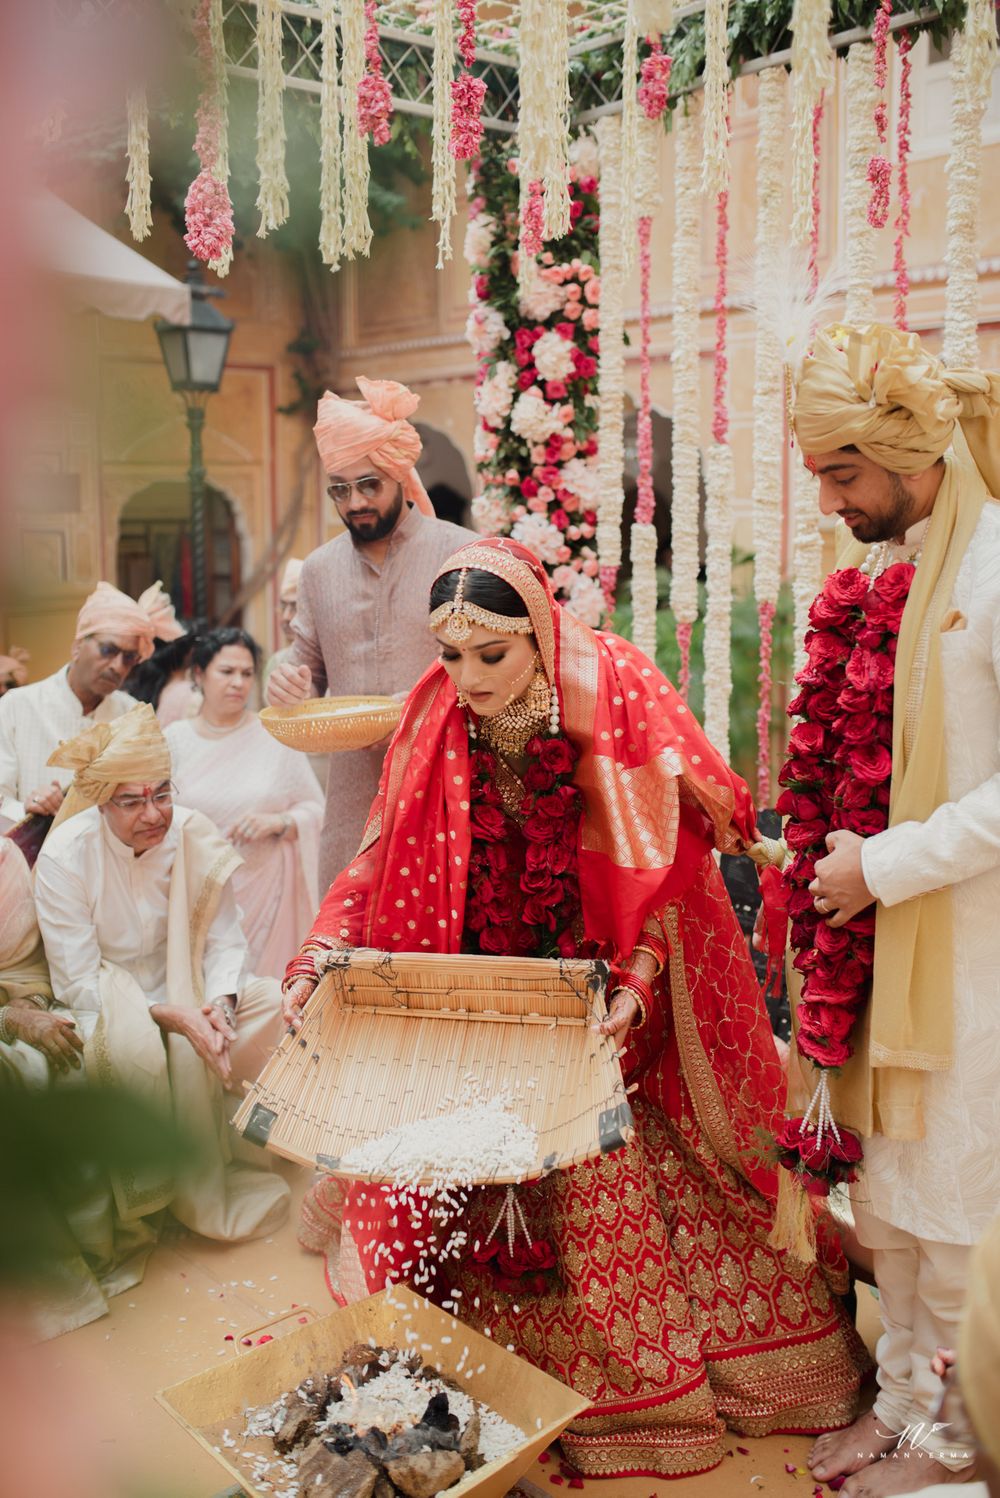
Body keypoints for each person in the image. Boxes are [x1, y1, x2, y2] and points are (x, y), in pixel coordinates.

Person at [281, 537, 870, 1481]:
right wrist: (322, 953)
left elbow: (665, 867)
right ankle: (475, 1381)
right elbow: (379, 856)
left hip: (598, 987)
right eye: (450, 655)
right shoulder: (437, 718)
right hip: (486, 983)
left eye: (490, 655)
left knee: (602, 1178)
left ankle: (651, 1399)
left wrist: (635, 983)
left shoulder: (609, 701)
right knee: (450, 1179)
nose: (466, 678)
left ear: (541, 640)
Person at [785, 323, 1000, 1497]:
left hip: (973, 949)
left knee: (963, 1204)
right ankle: (907, 1402)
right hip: (903, 944)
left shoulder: (993, 570)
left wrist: (885, 866)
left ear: (907, 455)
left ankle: (962, 1435)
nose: (827, 500)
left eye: (841, 473)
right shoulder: (912, 566)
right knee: (900, 1190)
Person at [33, 703, 290, 1244]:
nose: (153, 814)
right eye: (131, 800)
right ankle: (166, 1192)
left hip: (193, 990)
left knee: (272, 1006)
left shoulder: (192, 835)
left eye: (162, 794)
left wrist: (218, 1007)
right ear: (100, 801)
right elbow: (77, 982)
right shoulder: (65, 856)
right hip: (116, 1000)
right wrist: (171, 1019)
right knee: (155, 1045)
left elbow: (225, 938)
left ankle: (251, 1152)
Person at [266, 377, 476, 890]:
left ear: (400, 477)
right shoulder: (318, 570)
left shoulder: (460, 553)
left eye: (368, 485)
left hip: (445, 781)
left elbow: (491, 662)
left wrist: (427, 701)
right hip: (354, 796)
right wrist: (285, 682)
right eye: (340, 489)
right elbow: (305, 666)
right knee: (349, 938)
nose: (355, 501)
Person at [166, 628, 322, 982]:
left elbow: (317, 810)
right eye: (227, 672)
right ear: (199, 675)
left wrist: (279, 822)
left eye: (247, 673)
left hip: (268, 893)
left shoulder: (274, 736)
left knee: (266, 1001)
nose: (238, 682)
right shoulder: (174, 741)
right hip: (198, 894)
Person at [0, 580, 180, 823]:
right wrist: (27, 808)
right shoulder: (16, 706)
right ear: (77, 647)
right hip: (33, 856)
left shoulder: (133, 716)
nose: (117, 666)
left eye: (129, 658)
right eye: (108, 650)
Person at [262, 556, 303, 695]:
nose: (286, 617)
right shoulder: (276, 661)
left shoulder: (333, 659)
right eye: (283, 606)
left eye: (296, 607)